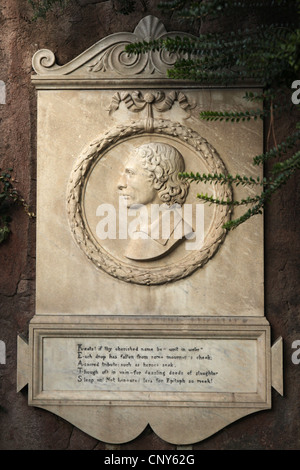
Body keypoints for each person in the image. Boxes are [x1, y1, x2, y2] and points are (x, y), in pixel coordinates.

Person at [117, 142, 193, 261]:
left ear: (158, 179)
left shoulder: (177, 230)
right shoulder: (139, 228)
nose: (120, 184)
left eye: (130, 174)